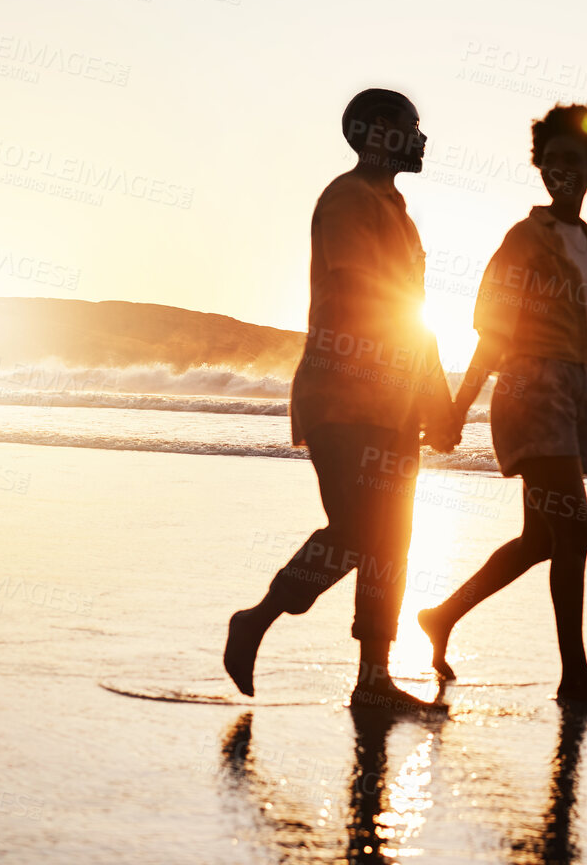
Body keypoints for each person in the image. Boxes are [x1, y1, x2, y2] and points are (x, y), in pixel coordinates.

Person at [418, 104, 587, 708]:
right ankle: (574, 678)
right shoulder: (524, 239)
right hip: (531, 392)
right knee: (575, 531)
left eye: (571, 162)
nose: (560, 172)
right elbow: (493, 334)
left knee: (541, 538)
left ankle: (441, 615)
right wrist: (458, 407)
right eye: (550, 161)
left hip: (576, 394)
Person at [224, 88, 455, 712]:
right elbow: (366, 293)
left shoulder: (398, 212)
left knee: (390, 541)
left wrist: (434, 395)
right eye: (411, 126)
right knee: (358, 531)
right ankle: (259, 617)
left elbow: (415, 312)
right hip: (342, 397)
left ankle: (373, 679)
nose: (421, 137)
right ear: (378, 131)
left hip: (393, 402)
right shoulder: (348, 200)